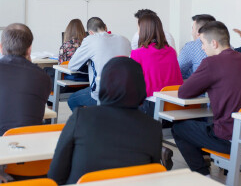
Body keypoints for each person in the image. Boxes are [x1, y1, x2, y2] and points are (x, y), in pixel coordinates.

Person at [47, 57, 162, 185]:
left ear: (105, 84)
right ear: (141, 85)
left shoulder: (81, 118)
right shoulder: (153, 128)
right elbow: (152, 179)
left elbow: (55, 176)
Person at [171, 21, 241, 176]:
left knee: (179, 128)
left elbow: (184, 93)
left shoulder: (211, 63)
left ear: (213, 43)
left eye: (202, 43)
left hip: (231, 139)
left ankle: (203, 175)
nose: (201, 47)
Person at [66, 17, 131, 111]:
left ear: (90, 32)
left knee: (72, 100)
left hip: (102, 93)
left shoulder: (90, 39)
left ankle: (88, 124)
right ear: (106, 27)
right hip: (125, 91)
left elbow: (72, 66)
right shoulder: (124, 39)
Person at [131, 13, 182, 116]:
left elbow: (132, 85)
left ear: (142, 31)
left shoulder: (137, 54)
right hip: (175, 107)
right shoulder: (171, 51)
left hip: (151, 109)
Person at [178, 14, 215, 79]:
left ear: (198, 32)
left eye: (192, 29)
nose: (191, 33)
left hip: (199, 87)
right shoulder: (228, 46)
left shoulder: (191, 46)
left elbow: (179, 71)